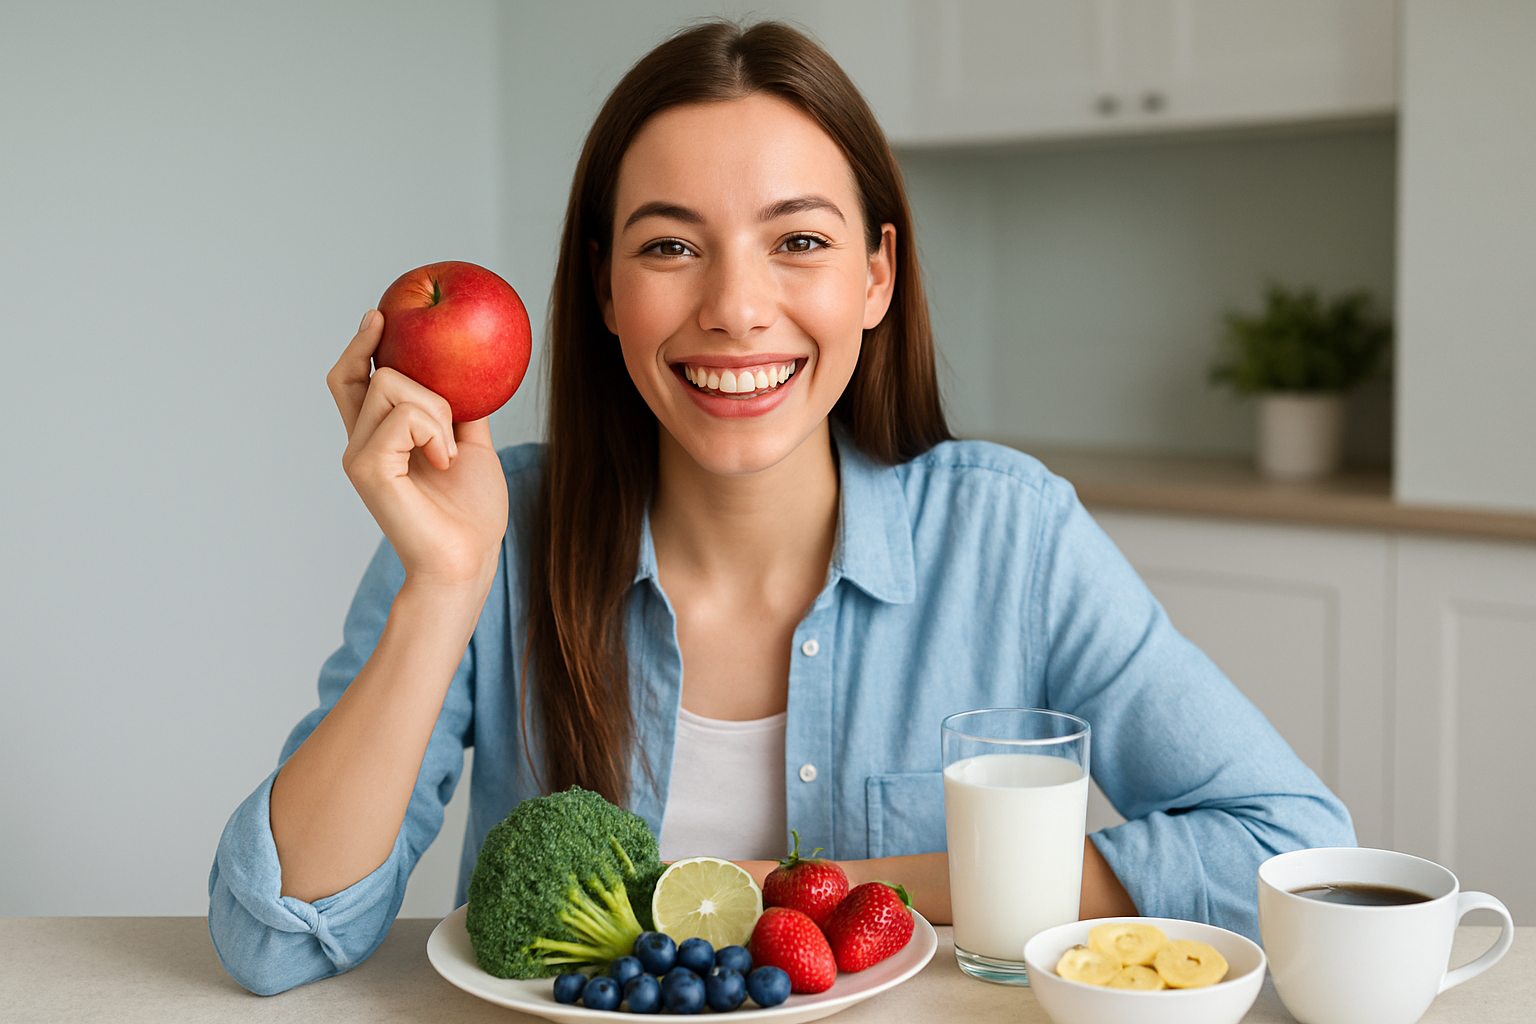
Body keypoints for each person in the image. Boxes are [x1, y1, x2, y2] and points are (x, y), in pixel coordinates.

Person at [208, 19, 1354, 996]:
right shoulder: (491, 529)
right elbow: (274, 939)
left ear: (875, 276)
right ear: (605, 285)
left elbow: (1289, 847)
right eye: (670, 246)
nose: (736, 307)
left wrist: (808, 896)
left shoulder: (1010, 537)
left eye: (798, 240)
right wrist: (444, 587)